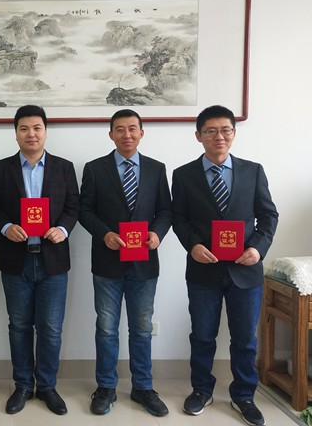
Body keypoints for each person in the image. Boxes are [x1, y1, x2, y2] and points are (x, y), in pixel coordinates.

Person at [172, 105, 278, 426]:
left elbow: (268, 216)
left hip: (245, 271)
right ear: (198, 136)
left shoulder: (253, 171)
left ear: (233, 133)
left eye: (225, 130)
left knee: (245, 338)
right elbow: (179, 219)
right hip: (203, 269)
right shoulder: (183, 174)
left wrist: (257, 249)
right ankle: (201, 390)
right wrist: (193, 245)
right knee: (202, 336)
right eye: (211, 131)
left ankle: (243, 395)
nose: (219, 136)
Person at [0, 105, 80, 416]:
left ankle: (48, 386)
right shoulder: (1, 169)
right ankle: (23, 385)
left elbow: (73, 206)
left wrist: (62, 229)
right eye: (24, 128)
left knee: (51, 328)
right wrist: (5, 227)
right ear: (15, 133)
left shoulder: (64, 168)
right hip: (17, 260)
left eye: (37, 128)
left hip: (53, 260)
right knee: (19, 326)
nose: (31, 134)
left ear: (46, 132)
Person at [79, 109, 172, 417]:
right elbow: (84, 210)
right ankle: (106, 386)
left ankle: (143, 387)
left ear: (142, 133)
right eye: (120, 129)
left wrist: (157, 234)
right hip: (107, 261)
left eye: (133, 129)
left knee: (142, 328)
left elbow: (165, 211)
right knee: (106, 328)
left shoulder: (157, 169)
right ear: (111, 134)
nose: (127, 134)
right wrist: (104, 234)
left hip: (144, 262)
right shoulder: (95, 169)